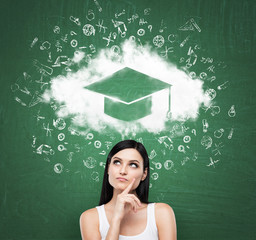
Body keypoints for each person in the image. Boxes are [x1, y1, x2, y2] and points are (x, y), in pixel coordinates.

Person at [80, 139, 177, 240]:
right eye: (117, 162)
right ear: (108, 168)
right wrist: (116, 218)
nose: (123, 171)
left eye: (133, 165)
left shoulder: (161, 213)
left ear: (144, 174)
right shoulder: (90, 218)